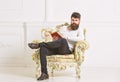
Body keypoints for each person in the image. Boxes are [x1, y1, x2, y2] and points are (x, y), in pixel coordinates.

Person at [28, 12, 83, 81]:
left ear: (79, 21)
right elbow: (55, 35)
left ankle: (39, 44)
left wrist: (67, 38)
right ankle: (44, 74)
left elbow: (81, 38)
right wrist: (52, 35)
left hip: (66, 50)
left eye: (76, 20)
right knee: (43, 48)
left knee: (63, 40)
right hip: (56, 47)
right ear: (70, 20)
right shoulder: (64, 28)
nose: (74, 22)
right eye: (72, 20)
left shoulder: (79, 29)